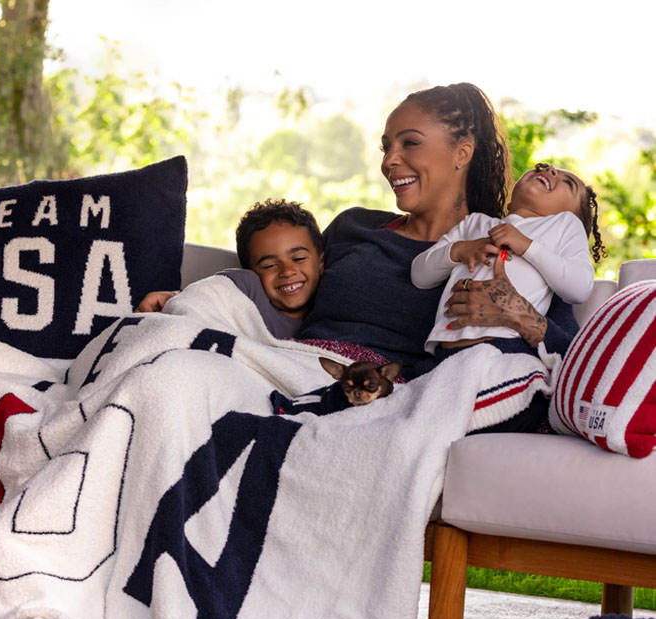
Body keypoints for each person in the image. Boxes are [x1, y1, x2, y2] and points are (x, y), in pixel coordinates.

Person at [139, 83, 583, 430]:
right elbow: (289, 290)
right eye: (386, 147)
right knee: (159, 357)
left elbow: (574, 359)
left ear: (461, 153)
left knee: (174, 379)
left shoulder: (504, 252)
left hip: (363, 393)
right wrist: (187, 301)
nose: (390, 160)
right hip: (286, 362)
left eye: (409, 143)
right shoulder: (355, 225)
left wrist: (517, 316)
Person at [410, 161, 606, 358]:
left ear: (573, 216)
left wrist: (527, 246)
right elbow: (419, 276)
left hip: (508, 350)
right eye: (542, 167)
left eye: (568, 183)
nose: (550, 170)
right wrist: (460, 250)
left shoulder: (564, 225)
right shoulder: (474, 223)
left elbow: (580, 289)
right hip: (446, 354)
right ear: (510, 203)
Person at [137, 199, 324, 338]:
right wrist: (173, 298)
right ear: (252, 271)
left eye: (298, 258)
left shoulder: (334, 312)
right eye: (269, 265)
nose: (287, 271)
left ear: (321, 262)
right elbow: (211, 297)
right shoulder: (248, 293)